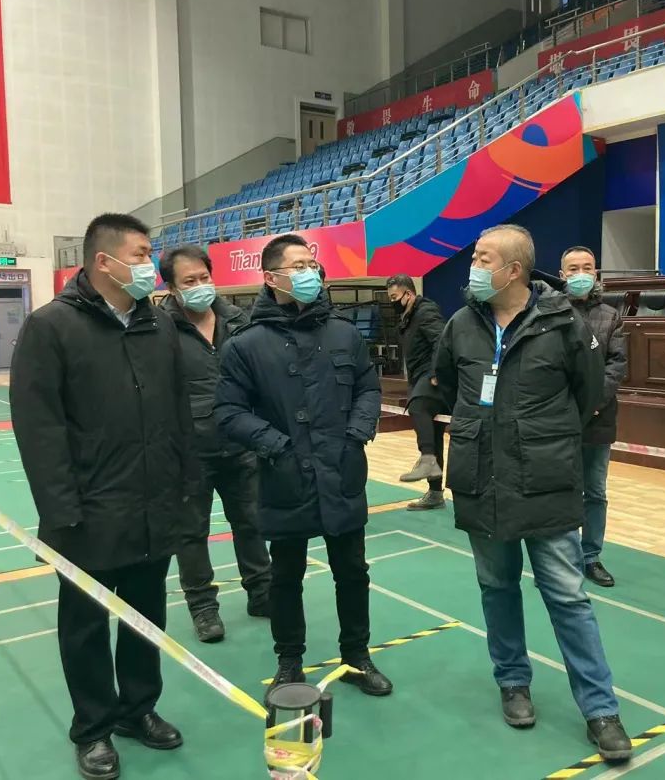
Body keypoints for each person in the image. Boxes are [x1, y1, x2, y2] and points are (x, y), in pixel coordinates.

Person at [433, 224, 633, 762]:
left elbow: (589, 393)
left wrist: (541, 437)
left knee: (568, 597)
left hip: (546, 482)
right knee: (497, 588)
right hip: (481, 481)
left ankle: (601, 710)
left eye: (483, 258)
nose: (473, 267)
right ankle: (513, 683)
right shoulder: (460, 325)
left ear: (513, 270)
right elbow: (445, 386)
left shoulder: (564, 324)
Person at [10, 213, 196, 780]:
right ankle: (93, 728)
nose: (150, 264)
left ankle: (138, 710)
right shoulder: (51, 327)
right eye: (140, 254)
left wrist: (183, 489)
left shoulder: (158, 325)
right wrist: (62, 513)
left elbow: (178, 413)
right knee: (86, 626)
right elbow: (39, 430)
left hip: (153, 506)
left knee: (145, 618)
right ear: (103, 262)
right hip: (87, 515)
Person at [214, 233, 392, 697]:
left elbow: (368, 388)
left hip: (341, 472)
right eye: (298, 266)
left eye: (312, 264)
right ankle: (289, 661)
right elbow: (229, 411)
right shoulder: (245, 346)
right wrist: (276, 446)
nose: (310, 272)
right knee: (285, 576)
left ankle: (357, 656)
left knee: (352, 572)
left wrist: (356, 433)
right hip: (285, 476)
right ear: (271, 278)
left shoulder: (344, 333)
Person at [160, 245, 272, 643]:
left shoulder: (238, 320)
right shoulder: (158, 329)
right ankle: (203, 607)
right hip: (189, 453)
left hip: (241, 445)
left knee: (252, 522)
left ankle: (262, 592)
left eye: (204, 277)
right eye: (189, 281)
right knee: (191, 533)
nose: (200, 286)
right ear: (172, 288)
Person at [557, 247, 627, 587]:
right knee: (562, 489)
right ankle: (563, 557)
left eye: (587, 267)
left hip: (599, 418)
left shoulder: (611, 316)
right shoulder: (550, 313)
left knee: (595, 492)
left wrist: (592, 402)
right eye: (573, 268)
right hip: (559, 418)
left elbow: (617, 365)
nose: (581, 274)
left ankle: (590, 557)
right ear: (562, 275)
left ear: (596, 274)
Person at [386, 274, 449, 510]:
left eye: (394, 297)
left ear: (409, 294)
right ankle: (435, 493)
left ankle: (427, 459)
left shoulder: (425, 311)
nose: (392, 302)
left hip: (431, 377)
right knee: (433, 434)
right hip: (417, 377)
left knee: (418, 405)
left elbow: (441, 339)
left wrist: (435, 372)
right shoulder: (407, 317)